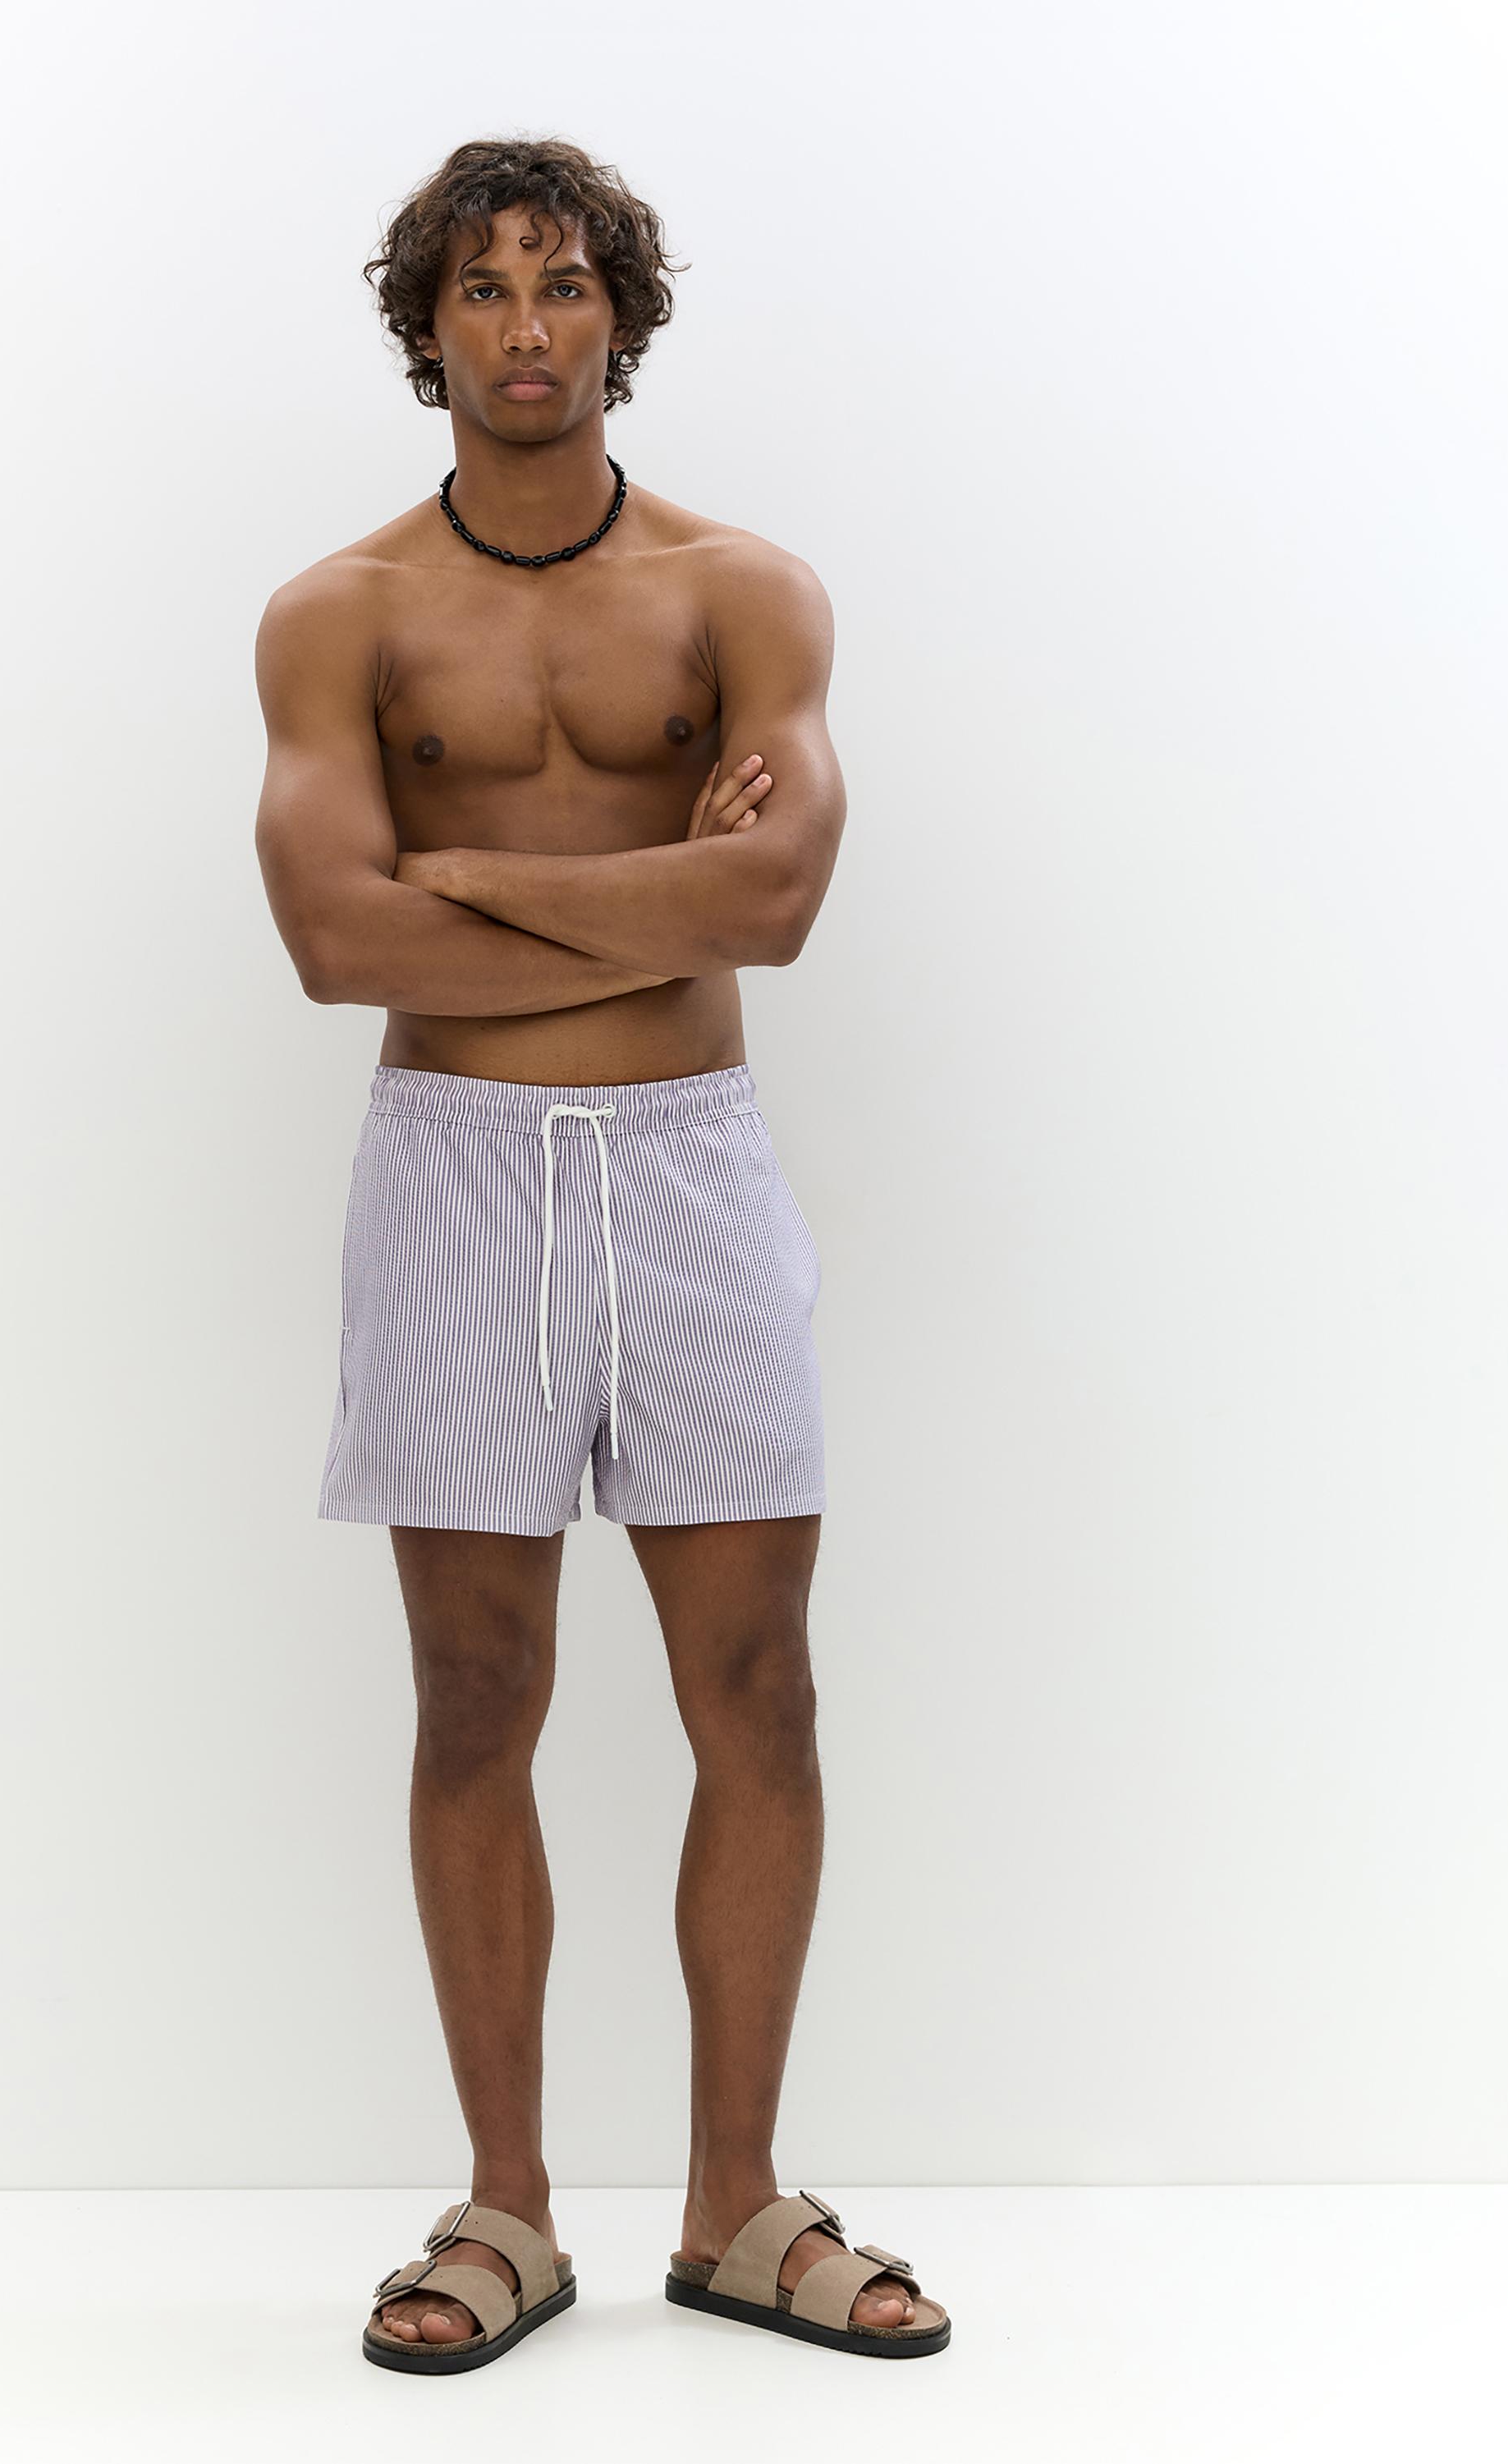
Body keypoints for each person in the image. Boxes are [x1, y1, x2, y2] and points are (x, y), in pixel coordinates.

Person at [253, 135, 949, 2374]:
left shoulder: (746, 595)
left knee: (759, 1686)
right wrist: (639, 894)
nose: (528, 327)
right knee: (477, 1693)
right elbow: (332, 940)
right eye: (484, 290)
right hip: (453, 1173)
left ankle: (739, 2204)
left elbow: (778, 904)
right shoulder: (340, 616)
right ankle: (510, 2211)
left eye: (564, 285)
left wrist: (462, 878)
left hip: (693, 1162)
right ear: (427, 328)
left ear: (621, 321)